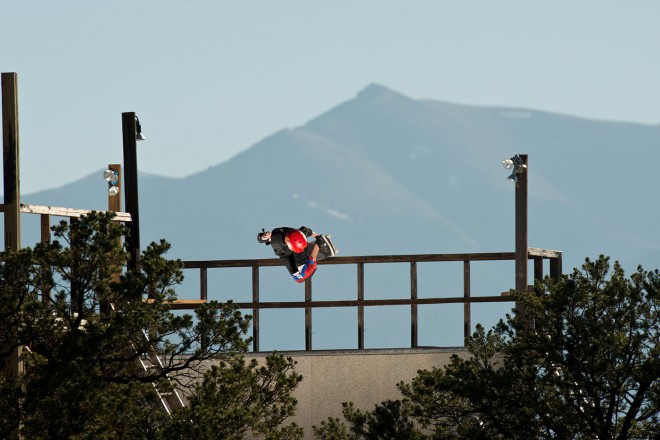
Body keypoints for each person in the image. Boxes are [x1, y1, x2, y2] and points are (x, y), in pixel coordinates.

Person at [257, 226, 336, 283]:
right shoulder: (277, 244)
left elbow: (307, 230)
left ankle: (315, 245)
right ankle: (316, 246)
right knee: (301, 276)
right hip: (289, 255)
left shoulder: (300, 233)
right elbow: (260, 238)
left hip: (297, 243)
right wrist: (264, 237)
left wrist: (319, 237)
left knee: (306, 267)